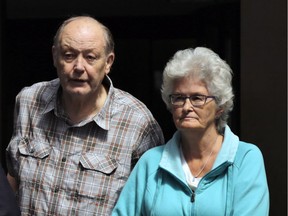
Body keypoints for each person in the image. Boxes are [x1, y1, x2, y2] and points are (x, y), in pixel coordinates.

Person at [5, 15, 164, 215]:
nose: (79, 67)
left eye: (90, 57)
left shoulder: (138, 121)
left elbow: (152, 204)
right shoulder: (29, 101)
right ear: (55, 57)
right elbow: (13, 178)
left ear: (108, 63)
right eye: (69, 55)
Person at [112, 47, 270, 215]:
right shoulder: (151, 163)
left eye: (197, 98)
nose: (187, 107)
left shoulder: (245, 158)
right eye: (179, 98)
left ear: (220, 106)